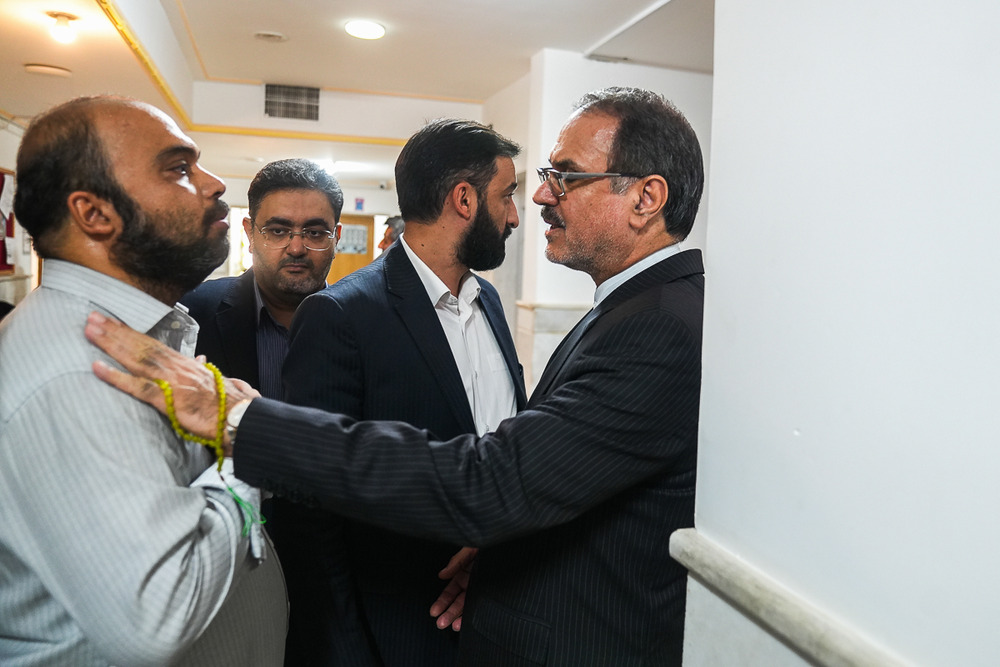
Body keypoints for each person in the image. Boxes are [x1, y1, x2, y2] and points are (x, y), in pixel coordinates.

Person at [86, 86, 705, 666]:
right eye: (528, 185)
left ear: (645, 199)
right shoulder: (631, 311)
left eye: (564, 176)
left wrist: (243, 420)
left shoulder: (653, 325)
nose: (540, 199)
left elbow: (495, 477)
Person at [0, 96, 286, 665]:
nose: (213, 184)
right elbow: (159, 615)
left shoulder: (132, 336)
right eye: (178, 169)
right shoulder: (78, 374)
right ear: (95, 214)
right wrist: (248, 450)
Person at [277, 119, 526, 666]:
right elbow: (309, 508)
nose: (513, 216)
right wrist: (345, 651)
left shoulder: (487, 303)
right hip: (395, 634)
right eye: (506, 195)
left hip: (497, 616)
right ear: (464, 199)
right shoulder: (342, 315)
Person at [180, 158, 343, 400]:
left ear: (336, 237)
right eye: (278, 231)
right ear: (250, 233)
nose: (296, 248)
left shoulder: (364, 321)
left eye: (314, 233)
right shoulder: (192, 313)